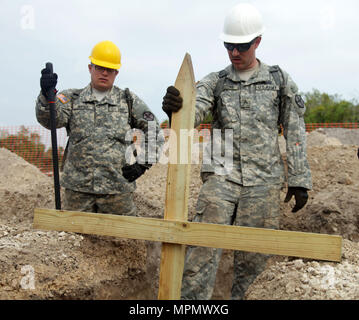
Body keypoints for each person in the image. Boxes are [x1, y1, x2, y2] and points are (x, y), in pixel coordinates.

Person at [162, 3, 312, 300]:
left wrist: (299, 179)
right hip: (220, 176)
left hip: (263, 181)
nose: (234, 52)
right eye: (229, 45)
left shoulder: (278, 80)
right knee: (201, 253)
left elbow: (295, 128)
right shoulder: (215, 82)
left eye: (241, 46)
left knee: (254, 262)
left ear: (257, 41)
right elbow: (194, 110)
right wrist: (176, 108)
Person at [36, 40, 163, 215]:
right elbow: (50, 121)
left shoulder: (128, 100)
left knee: (123, 238)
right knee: (74, 237)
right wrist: (45, 95)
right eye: (99, 67)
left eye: (109, 69)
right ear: (90, 68)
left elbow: (154, 131)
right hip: (78, 190)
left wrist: (142, 163)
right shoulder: (72, 98)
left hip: (117, 189)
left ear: (116, 72)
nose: (104, 73)